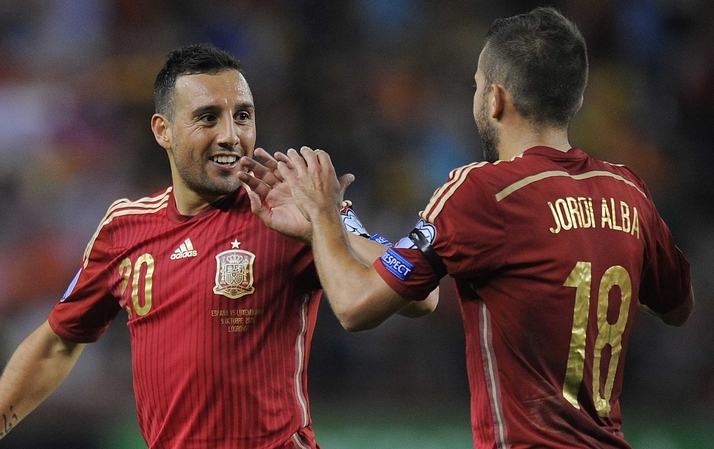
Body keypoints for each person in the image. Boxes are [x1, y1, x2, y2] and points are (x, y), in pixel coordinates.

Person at [243, 7, 694, 449]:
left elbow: (355, 306)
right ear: (574, 99)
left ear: (495, 98)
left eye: (476, 85)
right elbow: (677, 307)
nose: (475, 95)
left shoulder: (484, 192)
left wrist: (324, 213)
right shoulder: (627, 190)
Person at [0, 44, 436, 449]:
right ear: (162, 130)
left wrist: (323, 225)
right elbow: (56, 344)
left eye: (242, 116)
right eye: (208, 117)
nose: (231, 135)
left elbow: (417, 292)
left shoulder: (296, 208)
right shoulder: (124, 228)